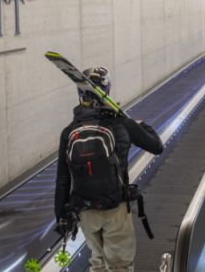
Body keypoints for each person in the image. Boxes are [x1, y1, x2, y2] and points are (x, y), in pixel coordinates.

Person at [55, 67, 164, 271]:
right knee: (120, 265)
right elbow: (157, 147)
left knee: (97, 262)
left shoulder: (69, 131)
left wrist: (60, 216)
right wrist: (140, 124)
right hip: (116, 207)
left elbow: (63, 179)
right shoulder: (121, 124)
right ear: (107, 90)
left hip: (85, 210)